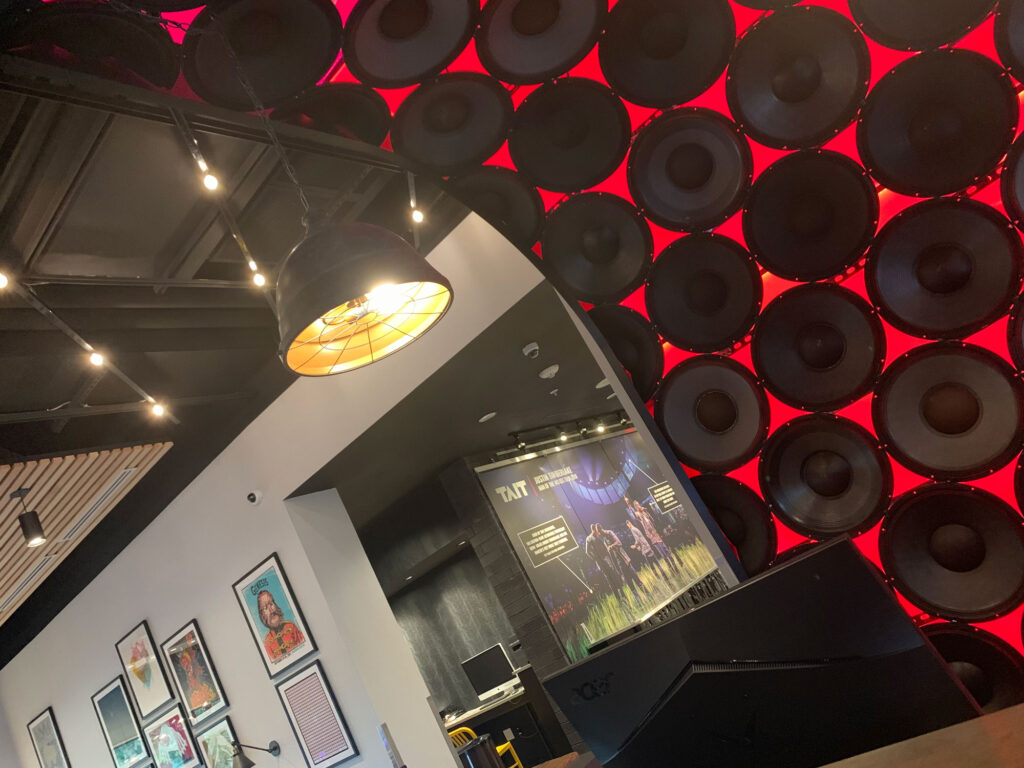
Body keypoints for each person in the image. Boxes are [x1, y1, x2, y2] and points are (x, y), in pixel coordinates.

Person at [633, 500, 683, 576]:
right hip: (652, 537)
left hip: (657, 533)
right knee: (663, 553)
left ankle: (676, 565)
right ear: (635, 507)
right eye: (636, 505)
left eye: (638, 504)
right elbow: (635, 515)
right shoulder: (638, 515)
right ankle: (671, 568)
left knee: (667, 549)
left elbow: (652, 520)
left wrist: (646, 512)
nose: (638, 506)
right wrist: (629, 505)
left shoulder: (644, 512)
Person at [258, 590, 305, 661]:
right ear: (262, 615)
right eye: (265, 608)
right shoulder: (267, 642)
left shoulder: (291, 626)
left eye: (271, 604)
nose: (270, 610)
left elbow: (304, 647)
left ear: (275, 605)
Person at [585, 522, 625, 596]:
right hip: (603, 562)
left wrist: (597, 558)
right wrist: (596, 558)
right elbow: (587, 552)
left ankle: (621, 594)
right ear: (594, 530)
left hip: (605, 561)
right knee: (611, 578)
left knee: (612, 577)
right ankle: (620, 596)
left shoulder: (594, 537)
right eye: (597, 531)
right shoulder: (589, 538)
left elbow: (589, 551)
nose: (599, 533)